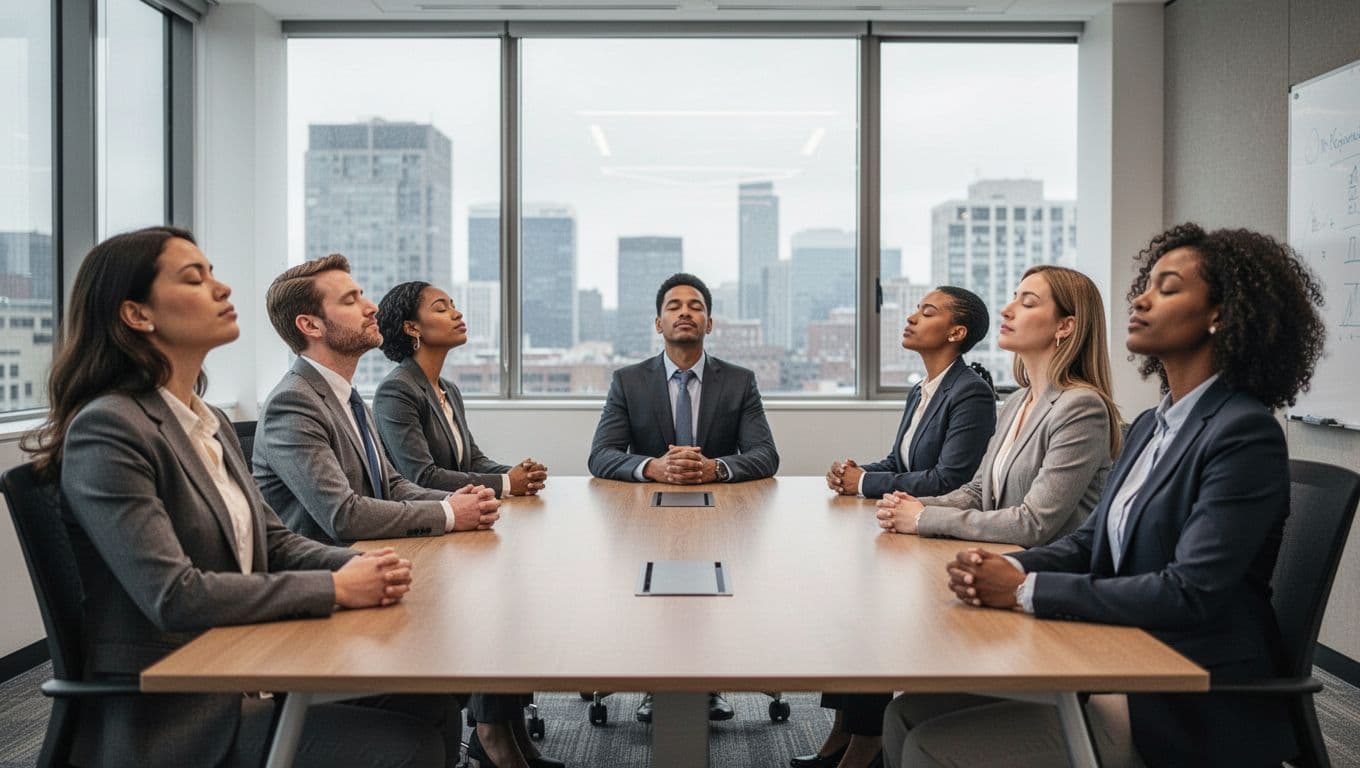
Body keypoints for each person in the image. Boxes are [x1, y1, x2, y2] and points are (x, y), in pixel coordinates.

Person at [885, 224, 1326, 768]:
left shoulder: (1242, 432)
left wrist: (1025, 588)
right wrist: (1000, 568)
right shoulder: (1150, 425)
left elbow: (1189, 592)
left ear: (1221, 316)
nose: (1140, 298)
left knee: (929, 747)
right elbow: (1091, 541)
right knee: (901, 715)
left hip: (1176, 691)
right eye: (1147, 285)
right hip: (1116, 651)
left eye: (1167, 289)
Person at [26, 226, 456, 768]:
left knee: (432, 703)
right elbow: (174, 595)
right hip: (181, 714)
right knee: (408, 748)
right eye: (195, 278)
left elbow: (273, 541)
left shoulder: (209, 421)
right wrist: (334, 587)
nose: (223, 288)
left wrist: (366, 566)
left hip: (245, 664)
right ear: (137, 314)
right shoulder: (109, 429)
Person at [254, 255, 561, 768]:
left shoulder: (348, 399)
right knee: (490, 614)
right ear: (310, 326)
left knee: (455, 684)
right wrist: (448, 515)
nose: (370, 306)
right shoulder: (295, 402)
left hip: (381, 566)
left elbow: (393, 484)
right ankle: (494, 735)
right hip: (329, 597)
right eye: (350, 300)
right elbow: (343, 516)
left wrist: (460, 502)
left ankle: (496, 733)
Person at [804, 287, 997, 768]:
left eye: (927, 312)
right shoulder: (922, 389)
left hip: (935, 536)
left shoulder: (970, 392)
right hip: (903, 529)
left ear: (957, 332)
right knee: (853, 597)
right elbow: (900, 460)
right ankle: (844, 731)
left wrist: (866, 481)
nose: (911, 317)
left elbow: (950, 478)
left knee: (870, 615)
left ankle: (867, 742)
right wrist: (855, 474)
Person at [587, 272, 779, 723]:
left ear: (709, 324)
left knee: (708, 601)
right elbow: (600, 456)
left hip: (722, 518)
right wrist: (653, 467)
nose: (685, 313)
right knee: (658, 599)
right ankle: (659, 681)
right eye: (674, 306)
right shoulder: (628, 381)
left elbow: (766, 455)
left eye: (696, 306)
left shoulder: (739, 381)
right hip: (645, 521)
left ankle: (705, 682)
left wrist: (716, 467)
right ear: (659, 324)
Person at [875, 265, 1122, 548]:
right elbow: (979, 493)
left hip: (1043, 575)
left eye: (1027, 303)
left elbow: (1033, 524)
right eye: (1014, 298)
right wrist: (907, 504)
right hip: (998, 557)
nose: (1007, 309)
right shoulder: (1018, 401)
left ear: (1065, 326)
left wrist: (923, 517)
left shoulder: (1081, 408)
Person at [373, 280, 547, 498]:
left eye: (453, 306)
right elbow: (422, 477)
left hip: (461, 513)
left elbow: (473, 461)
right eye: (441, 308)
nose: (457, 314)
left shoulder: (449, 389)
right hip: (423, 518)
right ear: (412, 327)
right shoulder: (397, 390)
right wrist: (507, 482)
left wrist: (520, 474)